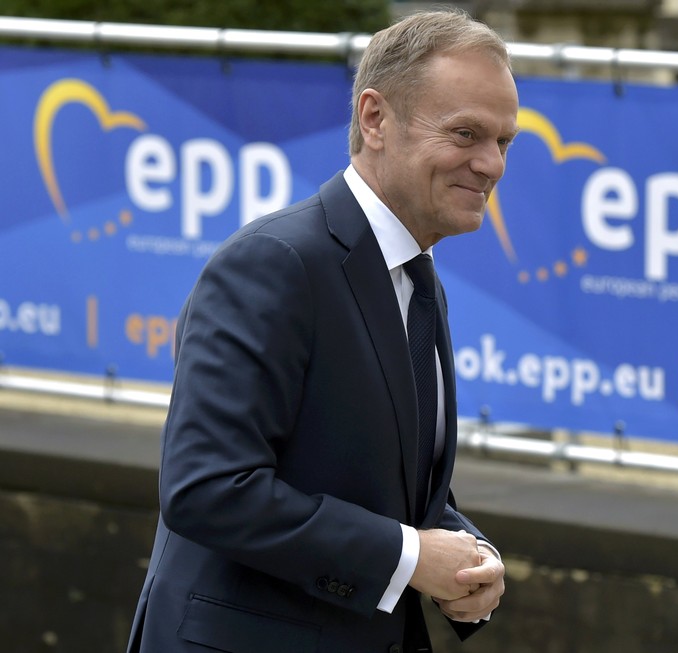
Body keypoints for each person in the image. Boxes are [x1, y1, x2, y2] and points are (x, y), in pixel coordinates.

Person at [126, 8, 519, 653]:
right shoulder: (275, 263)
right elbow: (208, 489)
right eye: (466, 134)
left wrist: (468, 556)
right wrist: (409, 557)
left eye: (503, 142)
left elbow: (388, 486)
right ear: (375, 119)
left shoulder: (417, 279)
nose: (491, 164)